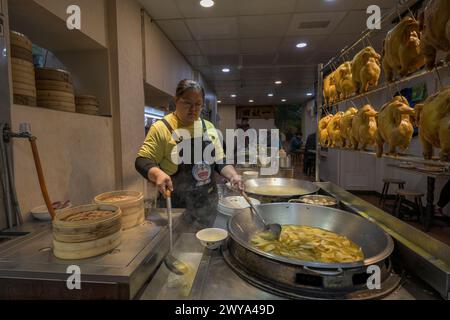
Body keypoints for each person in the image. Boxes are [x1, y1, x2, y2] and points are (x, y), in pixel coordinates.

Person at [135, 80, 243, 227]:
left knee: (204, 243)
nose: (193, 109)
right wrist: (157, 173)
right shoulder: (162, 128)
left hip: (207, 203)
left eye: (198, 104)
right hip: (177, 206)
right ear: (176, 101)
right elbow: (142, 160)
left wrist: (233, 176)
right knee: (179, 245)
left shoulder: (208, 127)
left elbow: (219, 161)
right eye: (187, 103)